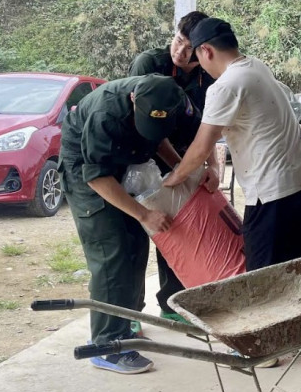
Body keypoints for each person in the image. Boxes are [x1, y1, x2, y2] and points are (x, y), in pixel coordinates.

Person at [59, 74, 215, 374]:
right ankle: (105, 344)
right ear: (133, 100)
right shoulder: (107, 114)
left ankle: (124, 327)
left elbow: (158, 140)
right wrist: (143, 214)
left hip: (120, 164)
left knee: (135, 244)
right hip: (88, 170)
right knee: (111, 250)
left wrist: (182, 171)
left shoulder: (172, 101)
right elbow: (96, 177)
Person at [164, 17, 301, 271]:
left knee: (263, 281)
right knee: (296, 272)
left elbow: (201, 147)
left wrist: (174, 178)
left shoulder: (226, 86)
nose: (201, 67)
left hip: (273, 196)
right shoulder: (256, 66)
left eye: (198, 58)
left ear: (207, 51)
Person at [128, 10, 216, 323]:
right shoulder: (149, 64)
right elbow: (144, 128)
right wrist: (182, 169)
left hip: (181, 158)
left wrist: (211, 166)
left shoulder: (208, 75)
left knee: (175, 230)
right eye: (178, 41)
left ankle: (171, 303)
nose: (180, 51)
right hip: (141, 158)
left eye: (189, 48)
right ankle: (130, 314)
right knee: (136, 234)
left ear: (204, 50)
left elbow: (209, 124)